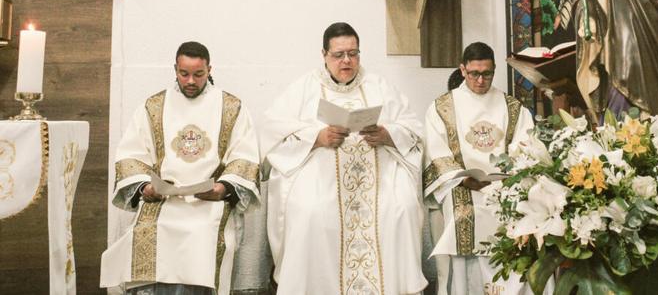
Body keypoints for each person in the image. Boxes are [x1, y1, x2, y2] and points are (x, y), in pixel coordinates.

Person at [263, 22, 427, 295]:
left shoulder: (380, 86)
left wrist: (387, 135)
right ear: (324, 55)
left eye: (353, 53)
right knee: (309, 212)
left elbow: (413, 128)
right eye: (339, 55)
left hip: (379, 182)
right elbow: (273, 131)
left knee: (402, 208)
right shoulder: (304, 88)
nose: (347, 60)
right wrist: (317, 137)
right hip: (321, 180)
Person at [101, 42, 261, 295]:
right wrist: (146, 188)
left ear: (209, 70)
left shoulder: (231, 108)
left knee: (202, 236)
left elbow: (245, 156)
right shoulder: (154, 106)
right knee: (144, 231)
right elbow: (130, 154)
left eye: (198, 74)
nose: (191, 81)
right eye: (184, 73)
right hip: (163, 201)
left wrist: (222, 188)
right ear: (175, 69)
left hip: (209, 204)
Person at [423, 42, 539, 295]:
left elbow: (525, 147)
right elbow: (436, 152)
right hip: (461, 187)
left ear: (494, 70)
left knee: (523, 214)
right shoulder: (442, 107)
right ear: (462, 70)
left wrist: (508, 179)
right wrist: (463, 179)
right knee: (462, 216)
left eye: (487, 74)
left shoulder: (512, 107)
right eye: (474, 73)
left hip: (505, 186)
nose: (480, 80)